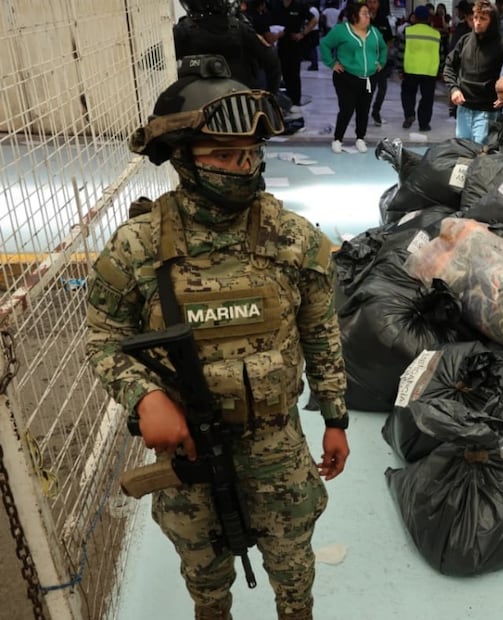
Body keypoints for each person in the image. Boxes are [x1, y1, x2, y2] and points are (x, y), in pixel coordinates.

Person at [85, 54, 349, 620]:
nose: (244, 166)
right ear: (182, 157)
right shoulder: (138, 247)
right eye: (225, 155)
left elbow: (321, 329)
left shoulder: (294, 238)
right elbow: (103, 336)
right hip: (188, 453)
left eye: (251, 154)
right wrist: (145, 396)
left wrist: (335, 418)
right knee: (203, 573)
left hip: (277, 445)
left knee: (293, 567)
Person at [444, 0, 503, 144]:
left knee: (481, 154)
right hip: (464, 108)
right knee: (462, 151)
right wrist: (454, 89)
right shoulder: (464, 41)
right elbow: (449, 65)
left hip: (488, 111)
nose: (477, 22)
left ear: (493, 21)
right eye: (475, 18)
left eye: (483, 18)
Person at [320, 0, 387, 153]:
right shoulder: (341, 30)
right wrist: (332, 63)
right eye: (364, 14)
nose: (368, 16)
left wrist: (380, 62)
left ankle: (360, 138)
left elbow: (383, 48)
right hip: (346, 77)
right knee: (347, 109)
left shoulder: (374, 32)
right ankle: (338, 139)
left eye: (368, 14)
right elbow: (325, 44)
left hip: (369, 78)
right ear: (353, 16)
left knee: (364, 110)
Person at [175, 0, 282, 95]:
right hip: (240, 102)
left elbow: (159, 61)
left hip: (200, 107)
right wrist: (269, 97)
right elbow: (272, 61)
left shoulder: (184, 30)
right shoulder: (239, 28)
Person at [400, 5, 440, 131]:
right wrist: (442, 70)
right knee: (427, 98)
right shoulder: (436, 34)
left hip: (411, 69)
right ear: (428, 18)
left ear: (415, 17)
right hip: (430, 71)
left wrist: (399, 69)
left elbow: (401, 51)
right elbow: (441, 53)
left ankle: (410, 114)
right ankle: (424, 124)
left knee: (407, 94)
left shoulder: (408, 31)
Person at [273, 0, 318, 109]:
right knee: (278, 73)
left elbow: (314, 20)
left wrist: (302, 33)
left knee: (293, 73)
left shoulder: (299, 5)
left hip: (294, 44)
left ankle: (295, 101)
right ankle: (280, 101)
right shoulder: (274, 4)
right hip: (278, 43)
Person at [366, 0, 396, 126]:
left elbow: (390, 39)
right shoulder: (361, 17)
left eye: (375, 2)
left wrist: (385, 52)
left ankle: (376, 111)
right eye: (370, 2)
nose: (372, 5)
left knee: (382, 88)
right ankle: (363, 112)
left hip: (380, 61)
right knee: (368, 89)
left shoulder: (383, 19)